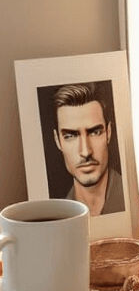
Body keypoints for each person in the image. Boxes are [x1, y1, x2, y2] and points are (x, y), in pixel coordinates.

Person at [52, 83, 125, 216]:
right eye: (70, 136)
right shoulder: (58, 215)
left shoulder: (136, 201)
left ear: (108, 132)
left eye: (94, 132)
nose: (85, 152)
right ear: (57, 140)